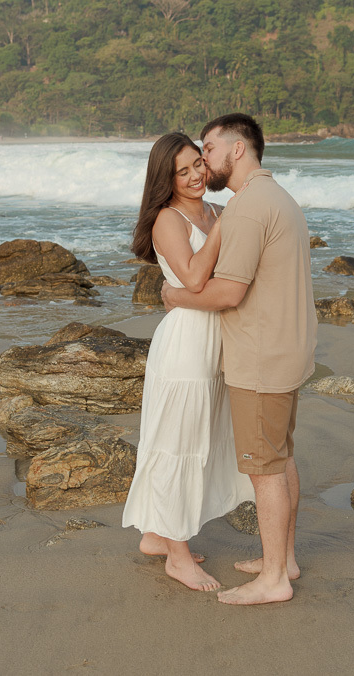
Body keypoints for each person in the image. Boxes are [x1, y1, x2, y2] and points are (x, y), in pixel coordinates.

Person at [162, 114, 317, 605]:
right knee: (281, 457)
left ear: (237, 149)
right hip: (287, 350)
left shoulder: (248, 207)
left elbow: (228, 292)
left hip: (260, 357)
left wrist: (175, 296)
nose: (204, 159)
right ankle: (284, 559)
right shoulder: (278, 197)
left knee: (264, 469)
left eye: (208, 147)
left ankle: (273, 580)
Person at [122, 132, 254, 591]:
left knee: (197, 440)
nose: (198, 175)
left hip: (218, 340)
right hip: (185, 347)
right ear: (167, 179)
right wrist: (225, 221)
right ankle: (177, 556)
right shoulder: (168, 219)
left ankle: (156, 535)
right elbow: (195, 279)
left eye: (199, 163)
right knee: (178, 444)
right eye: (184, 171)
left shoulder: (216, 210)